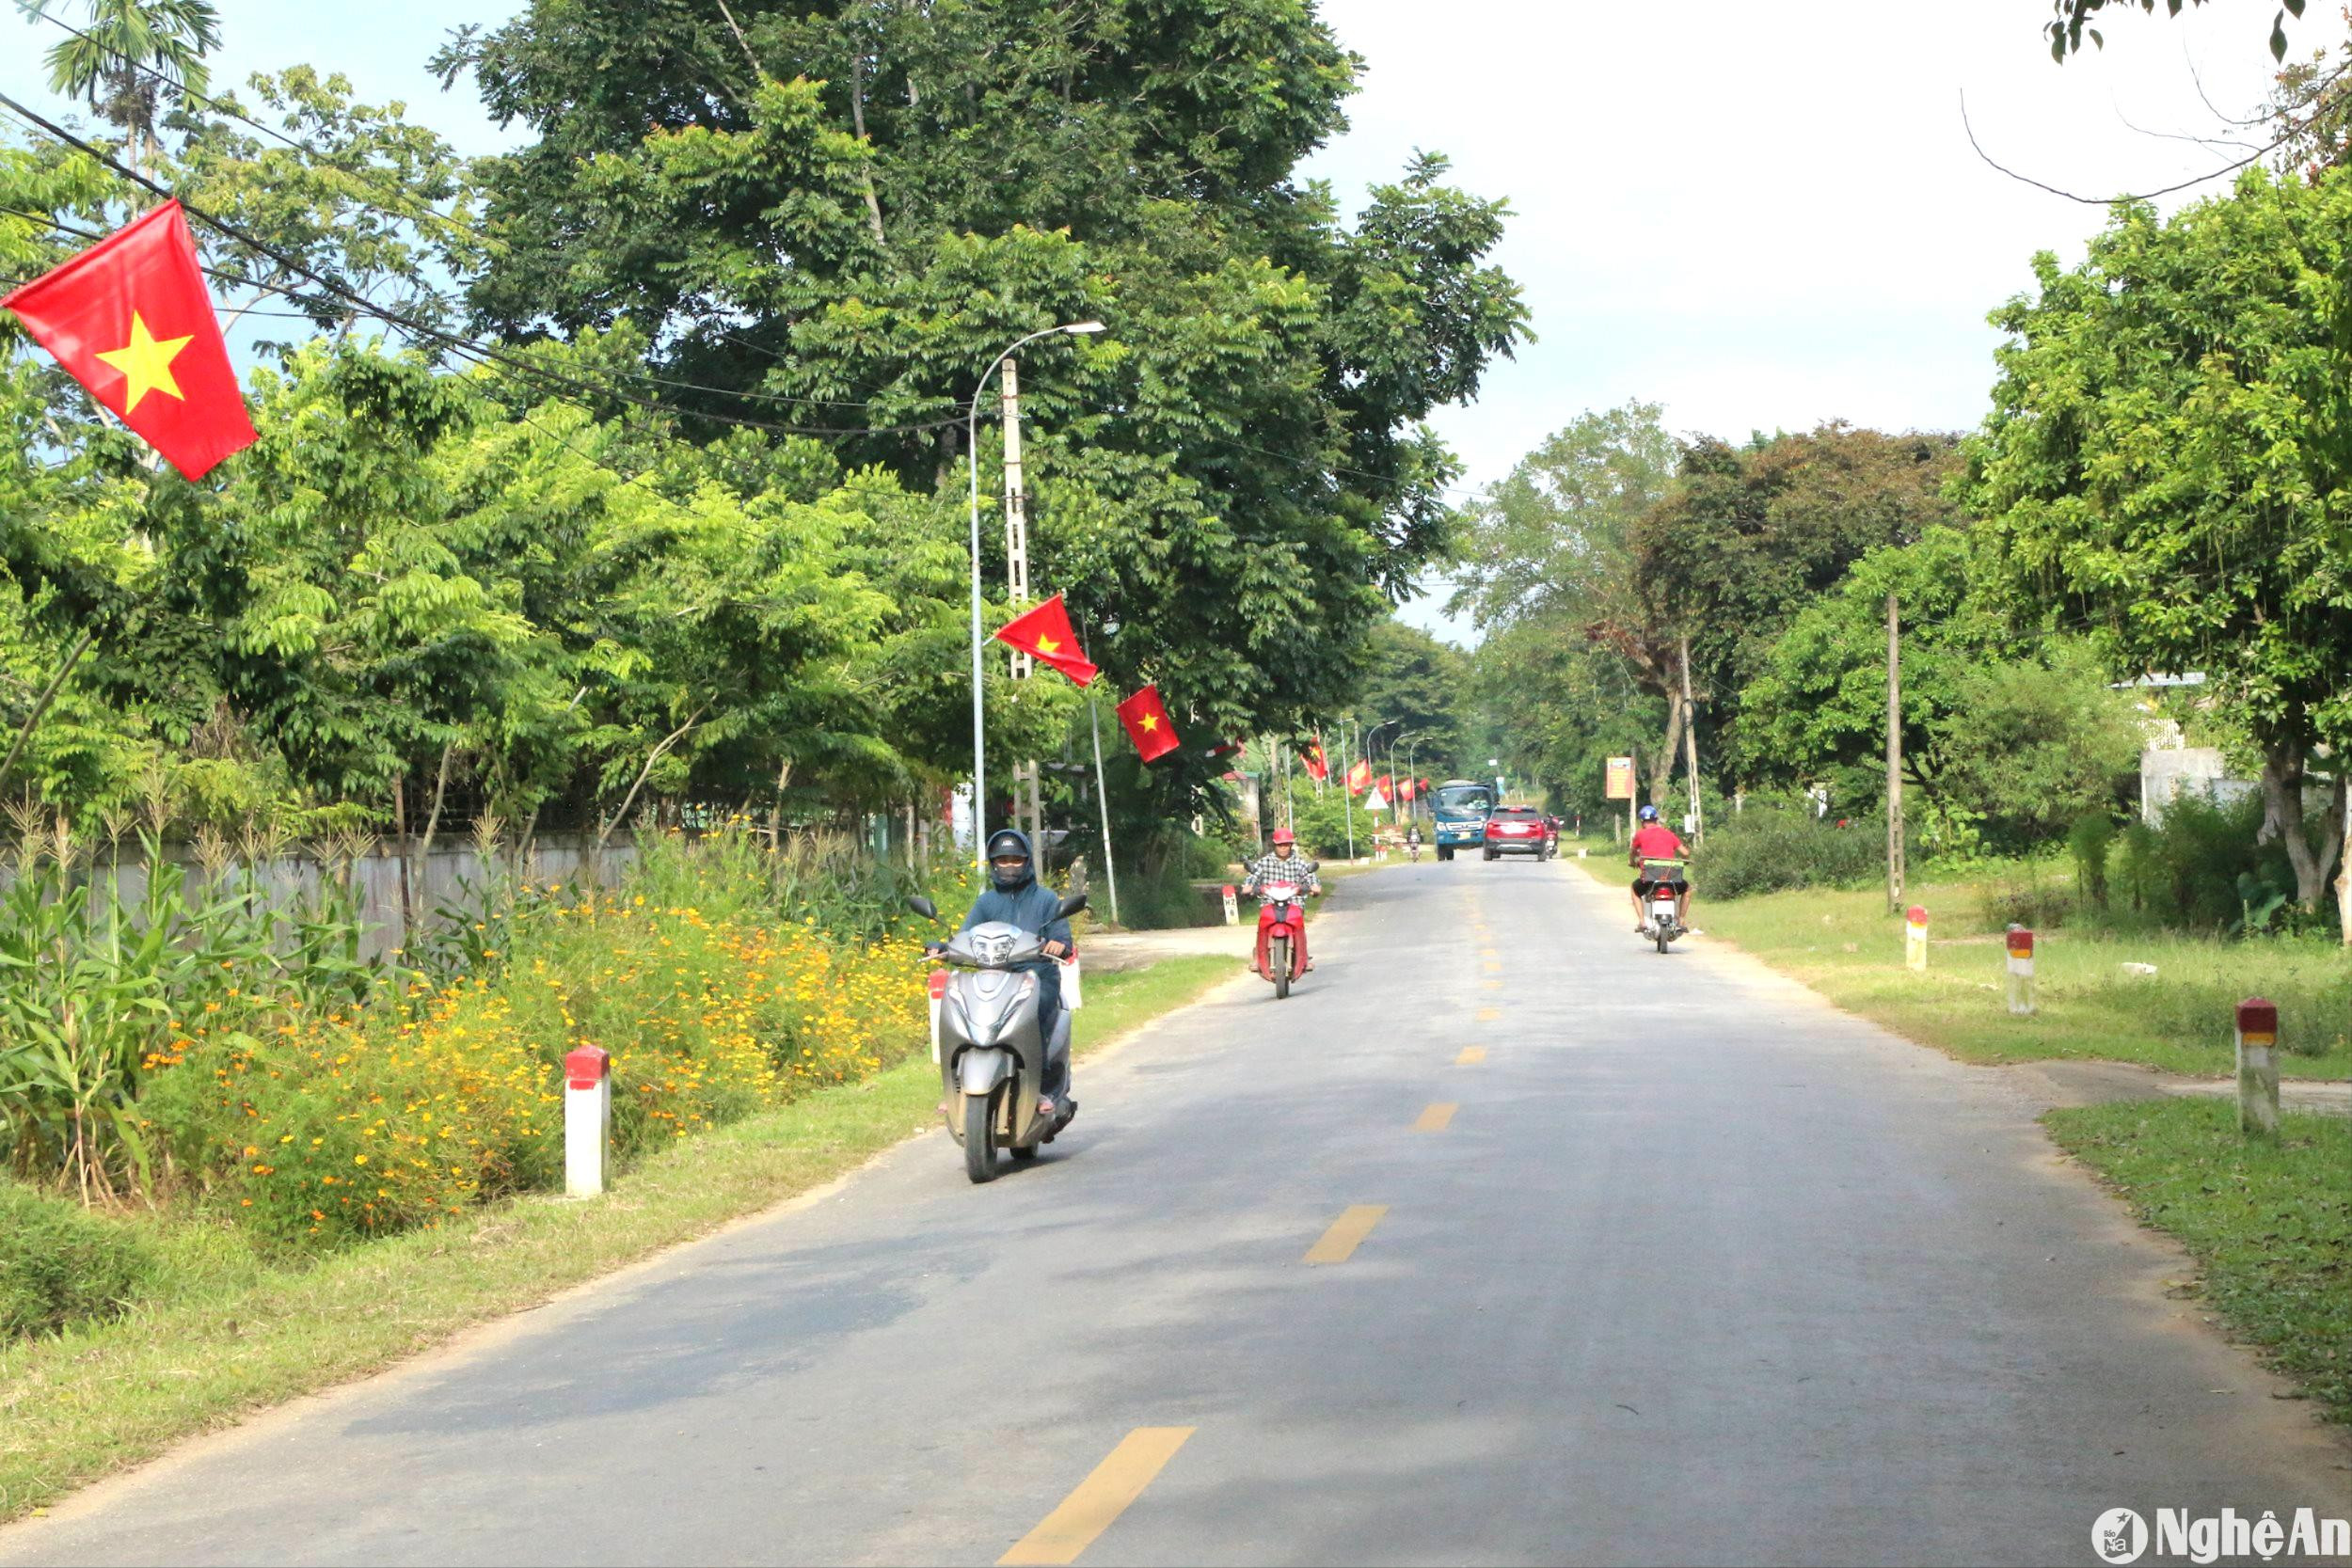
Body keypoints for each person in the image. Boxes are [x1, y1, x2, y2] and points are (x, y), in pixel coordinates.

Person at [934, 829, 1073, 1108]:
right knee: (960, 1012)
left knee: (1032, 1013)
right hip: (994, 975)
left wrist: (1058, 944)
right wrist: (942, 947)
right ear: (993, 863)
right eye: (1002, 860)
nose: (1009, 866)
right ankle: (956, 1086)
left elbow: (1063, 938)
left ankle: (1040, 1088)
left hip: (1038, 976)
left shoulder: (1046, 899)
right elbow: (965, 936)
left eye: (1016, 860)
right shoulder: (986, 902)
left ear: (1026, 861)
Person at [1242, 826, 1323, 973]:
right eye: (1280, 845)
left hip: (1294, 902)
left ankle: (1303, 955)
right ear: (1275, 845)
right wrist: (1248, 887)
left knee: (1299, 925)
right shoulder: (1264, 862)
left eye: (1286, 844)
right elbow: (1253, 876)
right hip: (1270, 902)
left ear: (1291, 845)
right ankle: (1258, 957)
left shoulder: (1299, 863)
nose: (1283, 848)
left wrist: (1314, 887)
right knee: (1262, 926)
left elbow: (1310, 875)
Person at [1628, 803, 1691, 932]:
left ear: (1642, 822)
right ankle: (1682, 920)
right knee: (1687, 889)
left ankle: (1642, 922)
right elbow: (1685, 853)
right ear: (1656, 820)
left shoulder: (1640, 835)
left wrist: (1632, 862)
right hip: (1671, 876)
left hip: (1650, 877)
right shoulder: (1669, 834)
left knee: (1634, 889)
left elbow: (1633, 852)